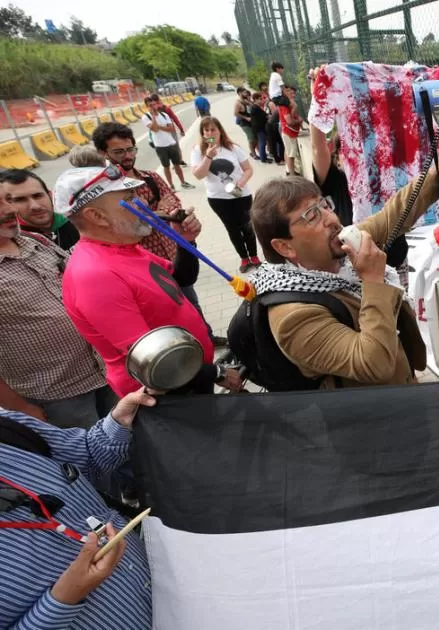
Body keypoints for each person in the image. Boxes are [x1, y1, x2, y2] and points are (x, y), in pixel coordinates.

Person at [246, 120, 439, 389]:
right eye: (311, 215)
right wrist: (372, 282)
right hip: (376, 421)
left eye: (323, 205)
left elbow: (393, 214)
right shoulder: (293, 317)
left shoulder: (336, 251)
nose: (330, 218)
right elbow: (373, 364)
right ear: (285, 247)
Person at [52, 166, 243, 396]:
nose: (141, 204)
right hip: (167, 390)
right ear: (97, 216)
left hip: (189, 373)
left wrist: (186, 242)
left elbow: (181, 279)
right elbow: (156, 361)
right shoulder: (95, 275)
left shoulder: (126, 248)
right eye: (129, 199)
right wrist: (217, 373)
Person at [0, 390, 156, 629]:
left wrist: (121, 420)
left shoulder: (6, 428)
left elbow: (87, 455)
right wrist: (62, 599)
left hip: (172, 588)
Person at [92, 122, 224, 346]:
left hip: (174, 254)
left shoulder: (151, 177)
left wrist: (150, 215)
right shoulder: (107, 192)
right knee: (166, 314)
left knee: (191, 300)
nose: (127, 156)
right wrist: (157, 213)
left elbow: (173, 204)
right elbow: (128, 227)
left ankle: (206, 338)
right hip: (145, 268)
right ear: (103, 153)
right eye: (118, 152)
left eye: (130, 149)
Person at [0, 193, 114, 428]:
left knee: (130, 443)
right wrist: (20, 408)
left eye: (7, 199)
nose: (10, 209)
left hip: (105, 372)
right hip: (58, 399)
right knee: (94, 461)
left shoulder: (33, 240)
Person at [190, 116, 261, 273]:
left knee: (247, 226)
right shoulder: (197, 151)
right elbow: (199, 175)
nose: (210, 133)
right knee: (232, 228)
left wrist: (239, 184)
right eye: (206, 130)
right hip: (218, 199)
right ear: (202, 133)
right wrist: (208, 156)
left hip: (241, 195)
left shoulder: (233, 148)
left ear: (219, 131)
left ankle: (254, 256)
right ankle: (244, 258)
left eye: (213, 129)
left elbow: (248, 169)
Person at [0, 169, 80, 250]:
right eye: (20, 199)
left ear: (50, 195)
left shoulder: (79, 219)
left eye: (38, 196)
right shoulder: (13, 242)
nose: (35, 206)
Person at [142, 96, 193, 190]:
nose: (153, 107)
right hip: (160, 146)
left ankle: (183, 182)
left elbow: (171, 129)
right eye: (150, 105)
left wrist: (160, 127)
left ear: (156, 104)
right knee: (166, 166)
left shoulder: (164, 115)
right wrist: (154, 117)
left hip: (171, 143)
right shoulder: (146, 117)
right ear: (147, 107)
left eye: (154, 104)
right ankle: (171, 185)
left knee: (177, 164)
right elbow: (154, 129)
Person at [277, 85, 303, 176]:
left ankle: (289, 169)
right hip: (289, 132)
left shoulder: (289, 104)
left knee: (288, 151)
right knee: (291, 154)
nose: (292, 94)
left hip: (290, 132)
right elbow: (290, 121)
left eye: (293, 93)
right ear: (284, 92)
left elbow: (294, 116)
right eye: (289, 92)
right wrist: (298, 120)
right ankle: (292, 175)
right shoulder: (284, 106)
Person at [234, 88, 258, 159]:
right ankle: (253, 154)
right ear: (239, 93)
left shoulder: (246, 100)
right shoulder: (238, 103)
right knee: (251, 138)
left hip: (251, 122)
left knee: (255, 138)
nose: (246, 94)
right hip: (244, 123)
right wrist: (246, 118)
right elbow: (235, 113)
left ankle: (252, 151)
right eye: (244, 92)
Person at [250, 91, 271, 163]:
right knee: (262, 143)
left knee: (262, 142)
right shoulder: (255, 107)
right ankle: (263, 158)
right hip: (259, 128)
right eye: (260, 99)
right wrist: (268, 116)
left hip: (259, 128)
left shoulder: (256, 107)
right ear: (255, 99)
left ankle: (263, 157)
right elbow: (263, 116)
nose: (261, 100)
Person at [265, 99, 285, 165]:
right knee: (278, 143)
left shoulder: (278, 108)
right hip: (272, 126)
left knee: (276, 143)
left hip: (271, 125)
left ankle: (279, 159)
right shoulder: (281, 109)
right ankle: (279, 160)